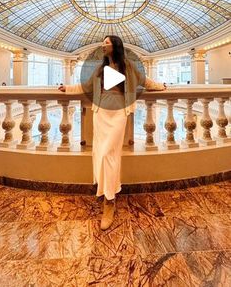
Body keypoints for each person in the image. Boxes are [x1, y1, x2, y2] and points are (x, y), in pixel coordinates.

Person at [58, 35, 166, 230]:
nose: (103, 45)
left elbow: (145, 81)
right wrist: (67, 88)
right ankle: (105, 190)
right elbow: (86, 86)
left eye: (107, 42)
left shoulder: (129, 66)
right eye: (103, 42)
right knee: (100, 154)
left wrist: (162, 86)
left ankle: (110, 201)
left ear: (115, 46)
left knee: (109, 154)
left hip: (118, 114)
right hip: (101, 114)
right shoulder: (100, 69)